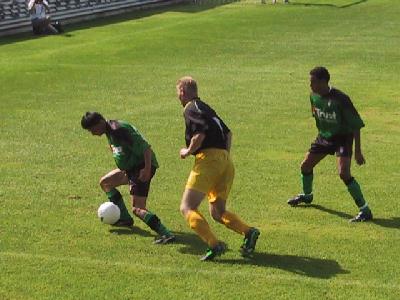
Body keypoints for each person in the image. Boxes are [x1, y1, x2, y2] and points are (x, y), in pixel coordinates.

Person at [176, 76, 260, 261]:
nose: (178, 98)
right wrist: (224, 156)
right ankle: (249, 232)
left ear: (182, 92)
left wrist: (188, 151)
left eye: (178, 94)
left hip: (209, 160)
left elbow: (200, 133)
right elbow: (228, 133)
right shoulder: (206, 107)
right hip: (225, 161)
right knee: (217, 211)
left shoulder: (190, 108)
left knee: (187, 207)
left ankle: (214, 244)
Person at [287, 67, 373, 222]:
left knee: (343, 173)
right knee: (305, 166)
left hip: (342, 138)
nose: (310, 85)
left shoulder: (341, 99)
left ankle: (365, 210)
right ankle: (307, 196)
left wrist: (358, 151)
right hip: (324, 138)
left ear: (323, 81)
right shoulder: (313, 96)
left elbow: (356, 125)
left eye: (312, 81)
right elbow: (317, 115)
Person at [81, 112, 175, 244]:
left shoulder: (118, 130)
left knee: (138, 209)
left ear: (100, 123)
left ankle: (166, 233)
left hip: (141, 168)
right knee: (106, 183)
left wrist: (147, 169)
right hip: (130, 169)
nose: (92, 133)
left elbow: (146, 148)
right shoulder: (110, 130)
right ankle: (125, 219)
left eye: (92, 129)